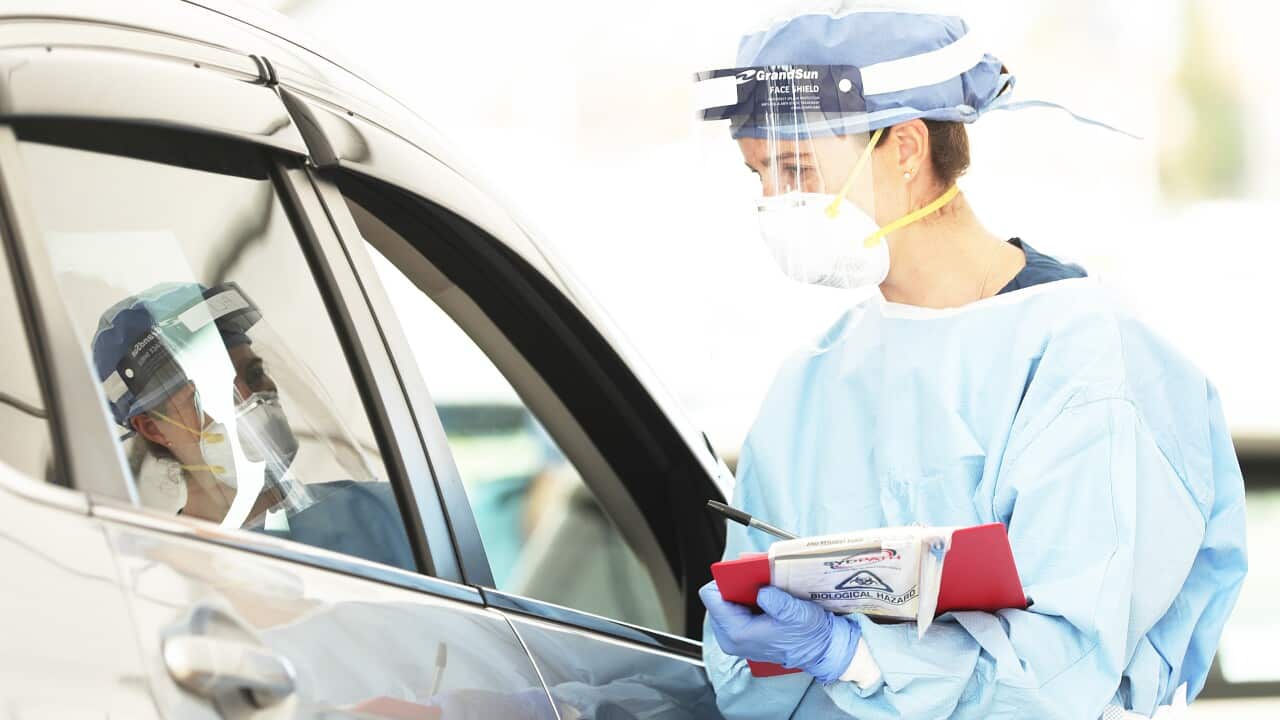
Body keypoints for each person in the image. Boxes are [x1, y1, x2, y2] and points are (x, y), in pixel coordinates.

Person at [693, 4, 1247, 719]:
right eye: (758, 174)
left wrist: (855, 655)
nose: (773, 203)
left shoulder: (1086, 360)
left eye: (796, 169)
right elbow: (754, 669)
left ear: (904, 147)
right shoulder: (814, 379)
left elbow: (1065, 671)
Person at [91, 281, 414, 569]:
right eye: (213, 389)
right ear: (153, 429)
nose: (251, 399)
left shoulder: (387, 514)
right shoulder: (167, 572)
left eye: (254, 373)